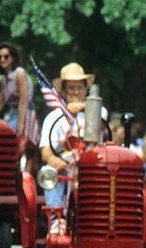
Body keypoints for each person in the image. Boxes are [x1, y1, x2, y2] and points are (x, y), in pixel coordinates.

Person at [38, 62, 107, 233]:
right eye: (71, 88)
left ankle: (103, 219)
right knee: (49, 171)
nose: (75, 92)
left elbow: (102, 117)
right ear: (63, 91)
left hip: (91, 167)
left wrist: (84, 107)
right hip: (65, 168)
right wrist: (55, 160)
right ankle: (57, 219)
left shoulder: (97, 112)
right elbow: (45, 151)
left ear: (86, 89)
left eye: (79, 88)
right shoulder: (53, 117)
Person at [0, 42, 37, 146]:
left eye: (6, 56)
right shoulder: (4, 80)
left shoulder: (19, 73)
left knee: (8, 137)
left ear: (13, 58)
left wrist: (21, 125)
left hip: (24, 112)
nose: (2, 59)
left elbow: (23, 101)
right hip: (12, 113)